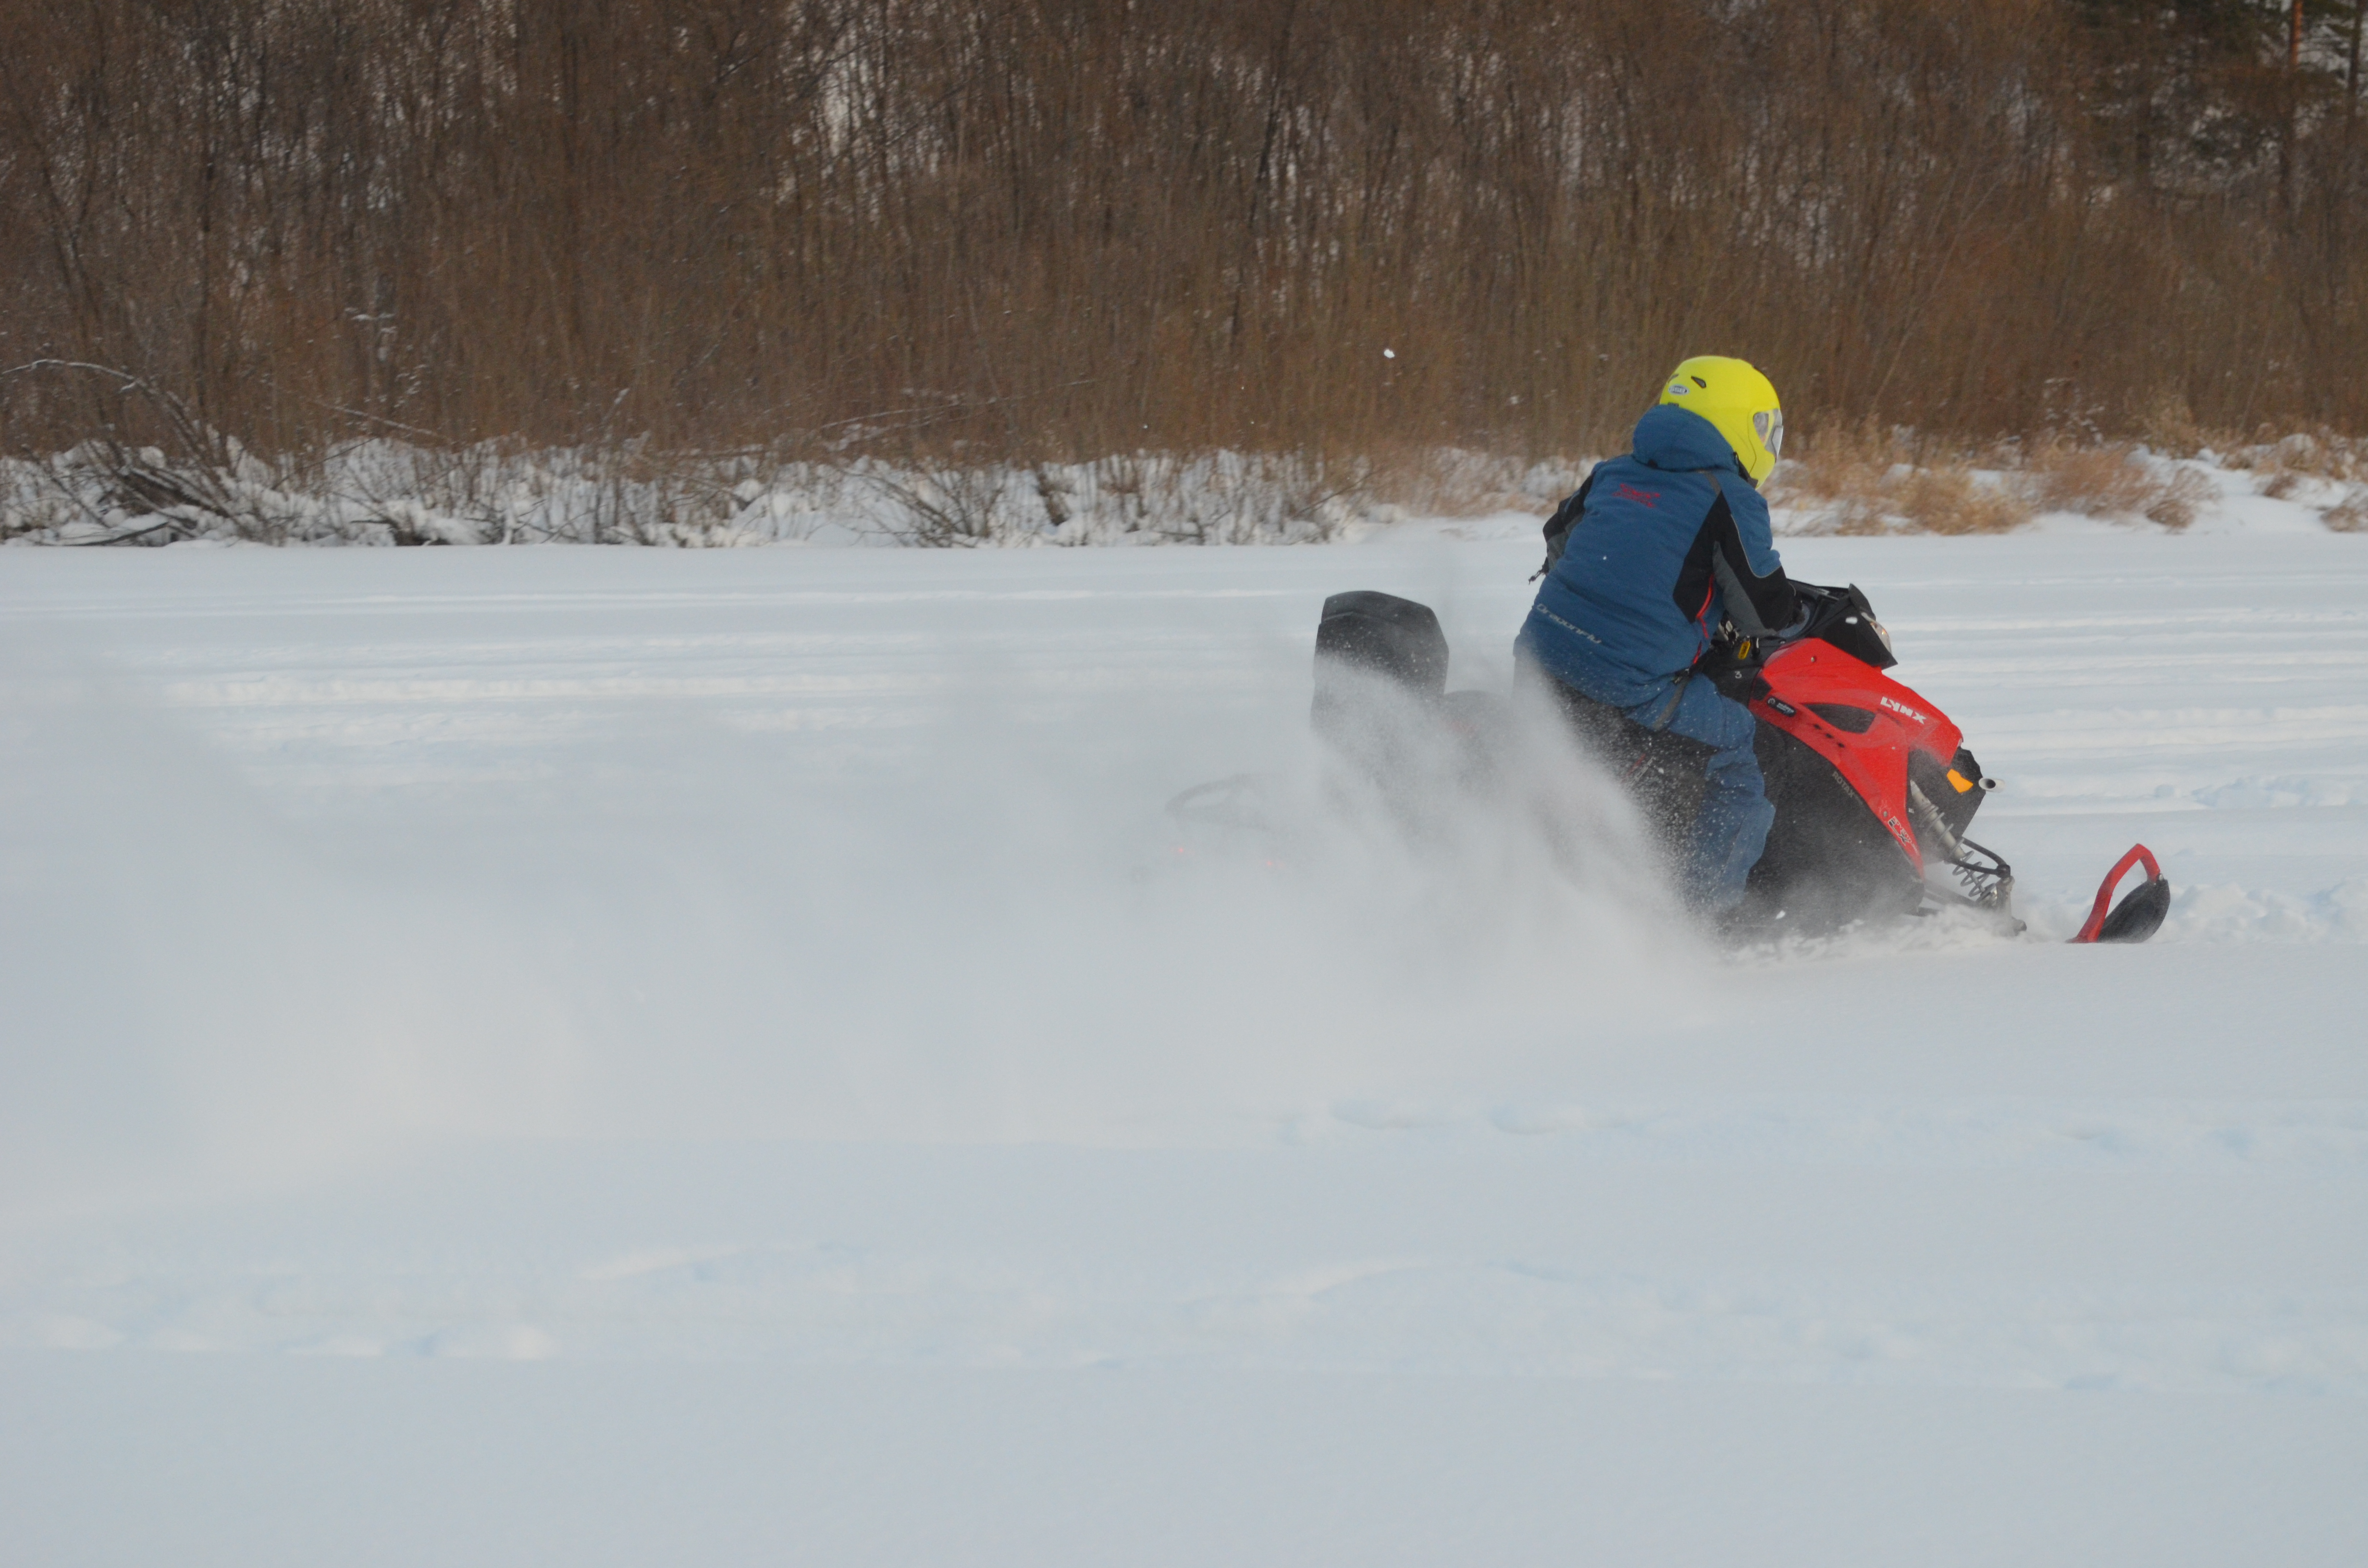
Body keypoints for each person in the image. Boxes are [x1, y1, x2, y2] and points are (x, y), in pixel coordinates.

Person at [1516, 355, 1799, 912]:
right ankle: (1703, 913)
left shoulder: (1613, 472)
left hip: (1539, 656)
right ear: (1738, 423)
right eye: (1764, 427)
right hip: (1627, 685)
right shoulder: (1729, 497)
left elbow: (1557, 545)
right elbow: (1764, 610)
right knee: (1742, 749)